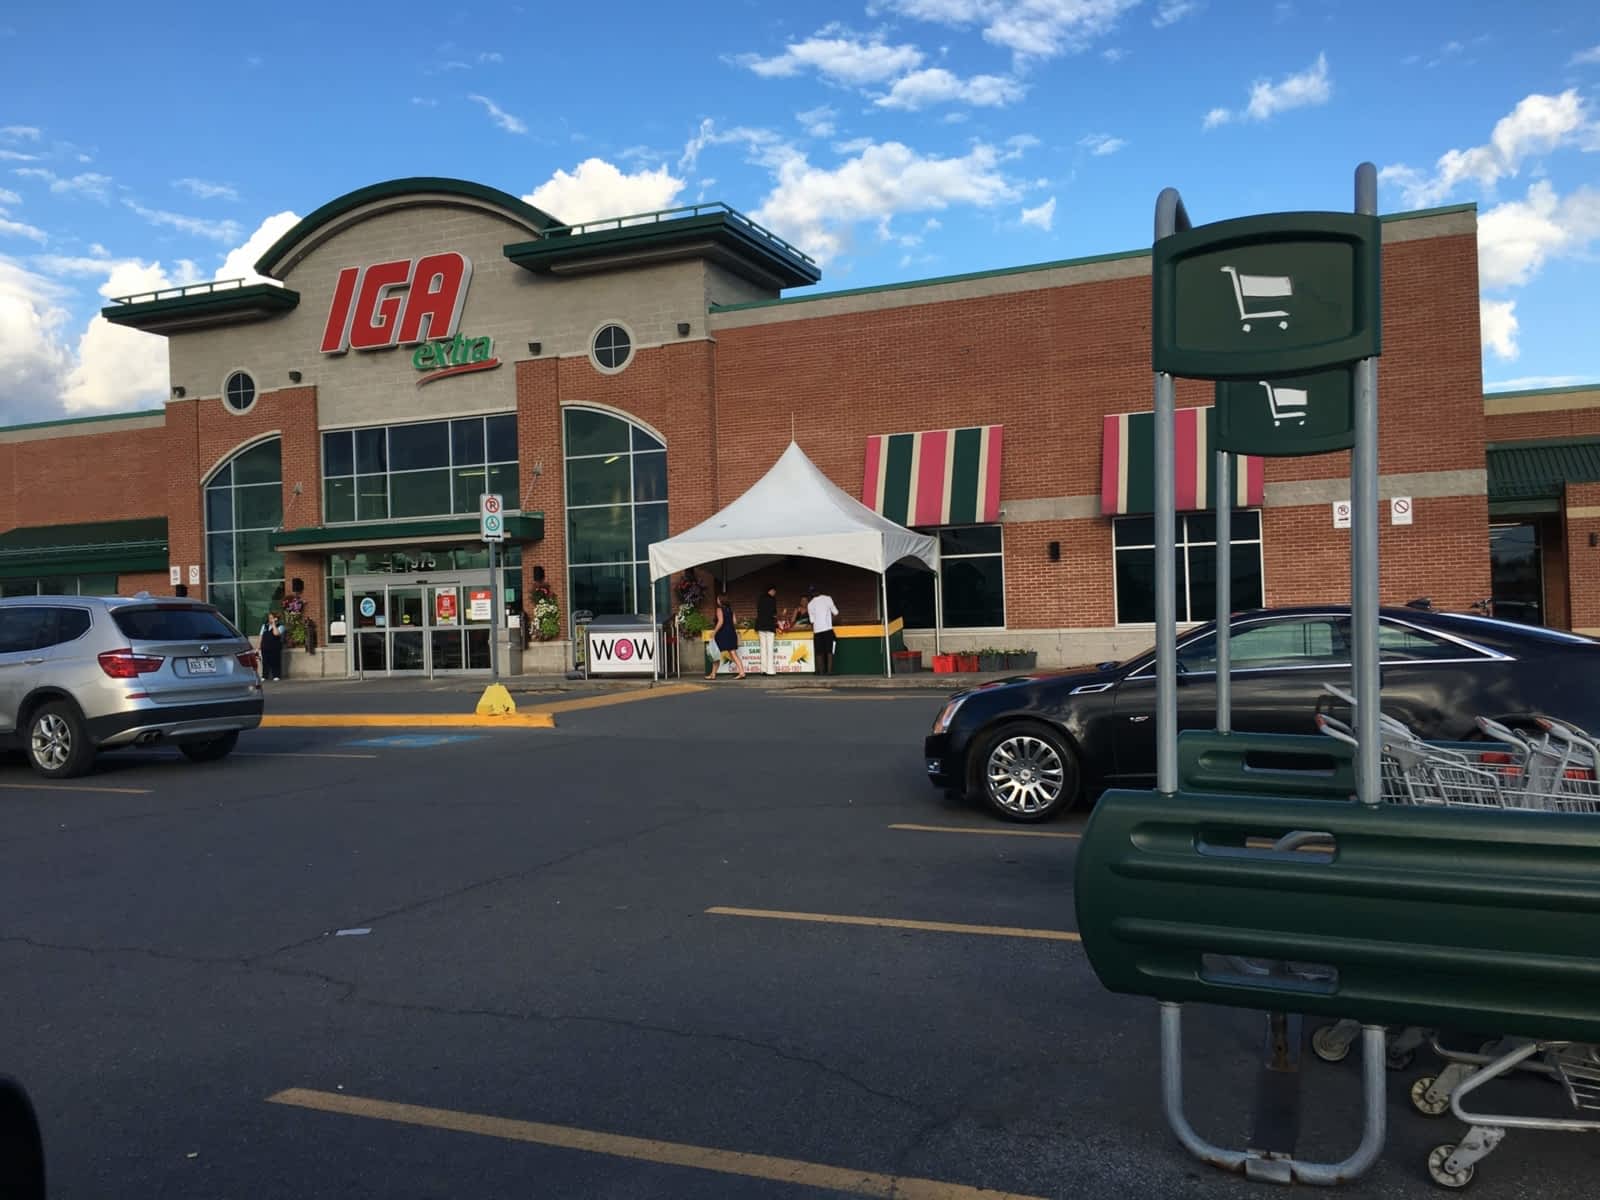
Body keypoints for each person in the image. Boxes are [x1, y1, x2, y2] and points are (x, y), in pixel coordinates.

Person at [705, 592, 746, 680]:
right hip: (731, 633)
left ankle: (713, 674)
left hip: (722, 634)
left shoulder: (719, 609)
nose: (717, 600)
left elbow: (720, 622)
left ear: (720, 600)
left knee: (715, 653)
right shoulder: (730, 610)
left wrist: (714, 632)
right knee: (733, 653)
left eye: (718, 599)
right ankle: (742, 672)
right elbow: (735, 622)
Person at [806, 585, 840, 675]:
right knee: (830, 651)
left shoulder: (810, 604)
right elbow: (836, 613)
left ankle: (820, 671)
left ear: (811, 593)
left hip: (817, 631)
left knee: (819, 652)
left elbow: (812, 621)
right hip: (828, 629)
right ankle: (829, 671)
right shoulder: (828, 598)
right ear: (819, 591)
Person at [755, 584, 779, 676]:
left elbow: (759, 611)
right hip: (769, 626)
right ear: (771, 590)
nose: (775, 593)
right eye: (774, 591)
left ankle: (763, 669)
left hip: (760, 626)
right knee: (769, 648)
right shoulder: (772, 600)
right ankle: (770, 670)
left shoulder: (760, 599)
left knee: (763, 648)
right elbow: (774, 613)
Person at [259, 610, 284, 681]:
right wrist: (259, 647)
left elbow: (276, 633)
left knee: (275, 661)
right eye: (269, 618)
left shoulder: (281, 626)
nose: (270, 619)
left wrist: (273, 624)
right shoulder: (264, 626)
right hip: (265, 646)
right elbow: (261, 636)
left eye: (272, 618)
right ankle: (264, 676)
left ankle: (276, 675)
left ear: (276, 618)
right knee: (265, 662)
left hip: (275, 647)